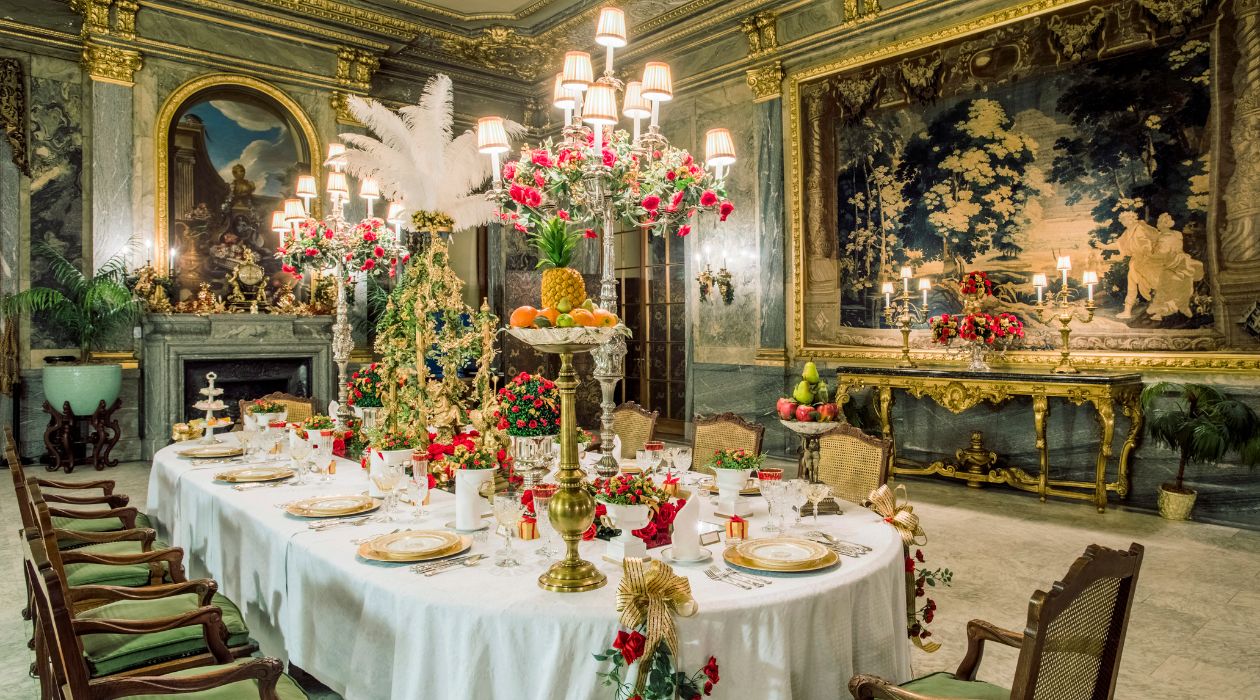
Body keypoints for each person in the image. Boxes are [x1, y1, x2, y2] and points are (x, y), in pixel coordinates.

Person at [1104, 211, 1159, 320]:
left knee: (1154, 283)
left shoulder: (1140, 228)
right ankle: (1127, 311)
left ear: (1131, 219)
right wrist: (1105, 247)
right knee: (1132, 284)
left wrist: (1146, 253)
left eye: (1124, 219)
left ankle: (1160, 311)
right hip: (1136, 260)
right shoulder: (1128, 232)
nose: (1122, 222)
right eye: (1122, 220)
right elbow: (1119, 244)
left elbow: (1150, 241)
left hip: (1146, 261)